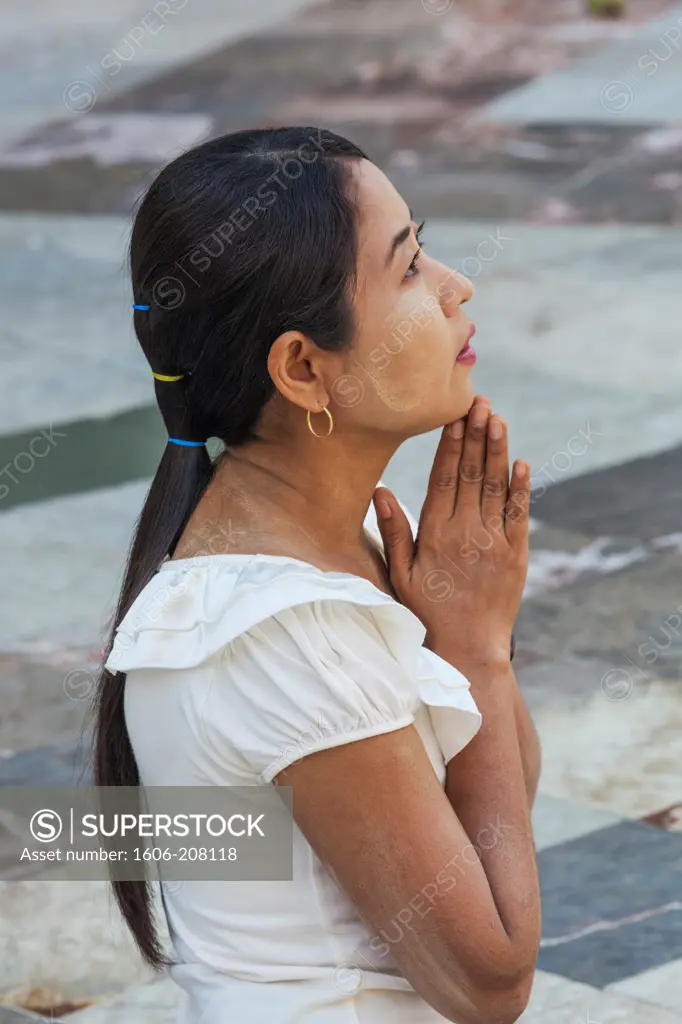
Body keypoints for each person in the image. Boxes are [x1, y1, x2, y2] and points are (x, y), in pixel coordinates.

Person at [93, 127, 542, 1024]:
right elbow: (490, 982)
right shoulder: (283, 628)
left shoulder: (330, 546)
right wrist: (480, 653)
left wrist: (466, 637)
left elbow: (496, 797)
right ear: (304, 367)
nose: (458, 286)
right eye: (409, 267)